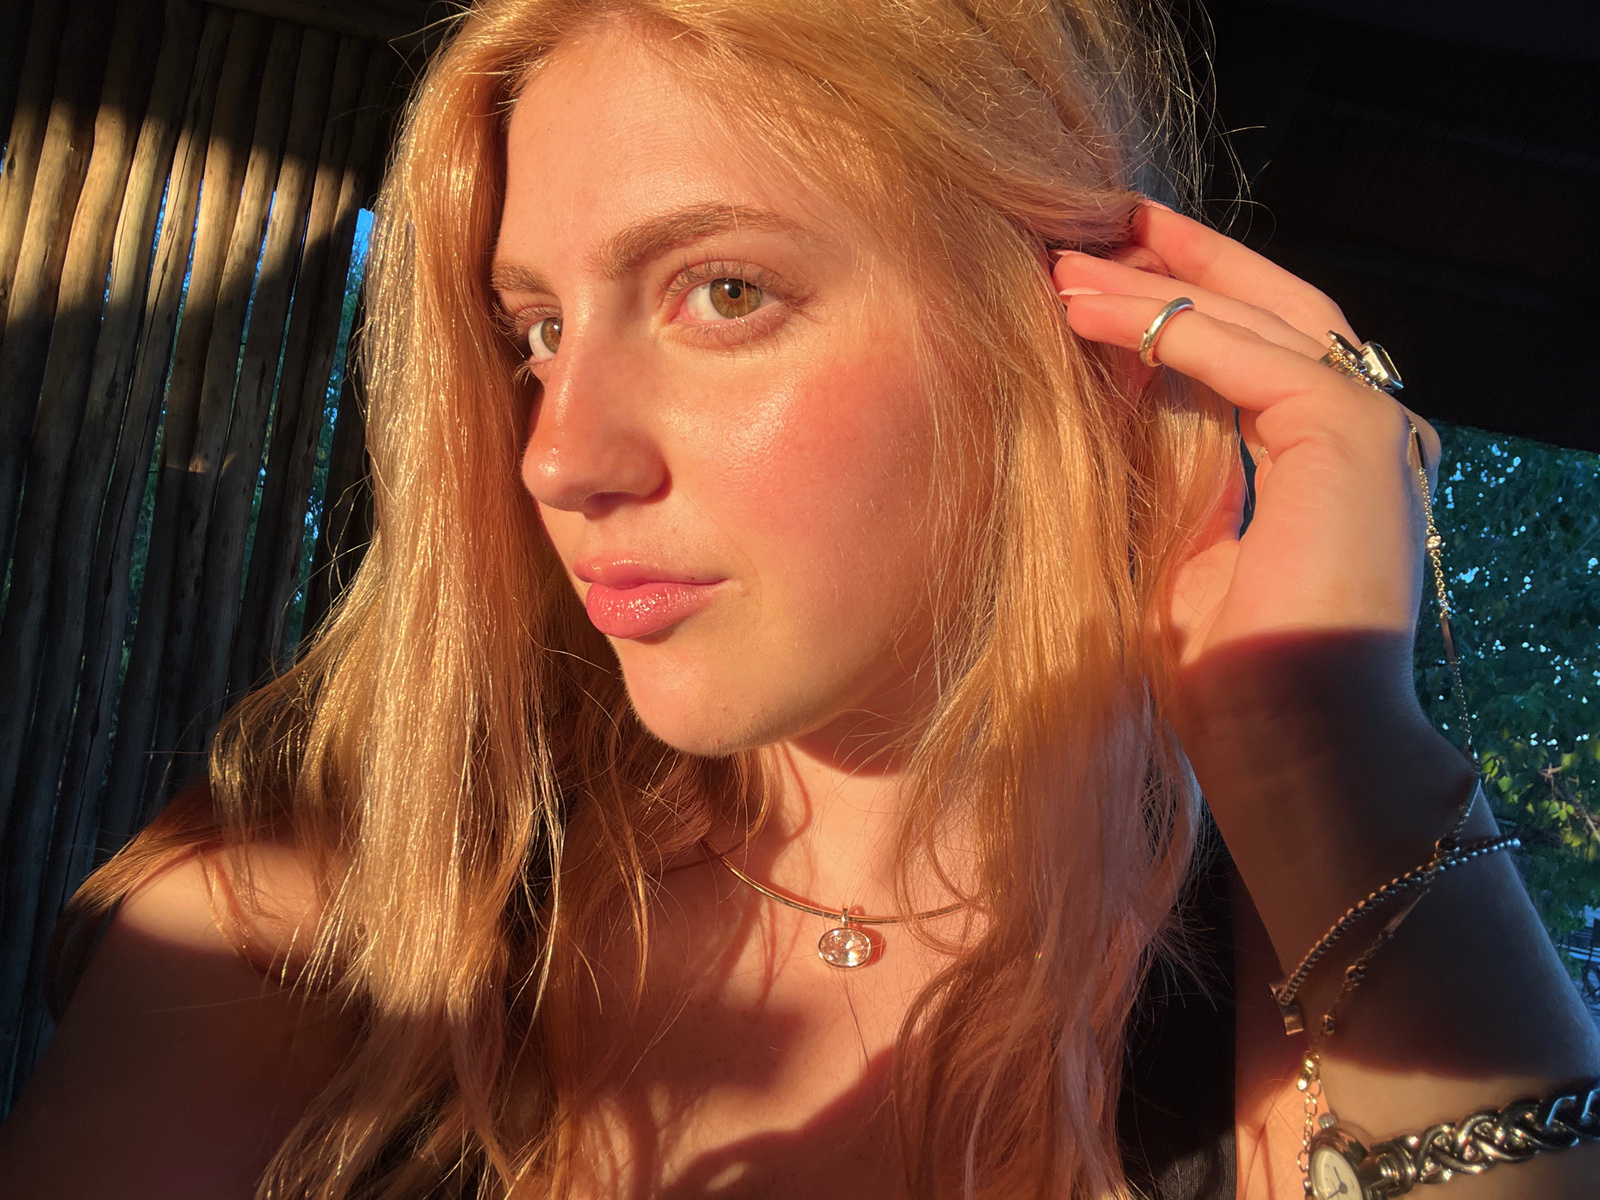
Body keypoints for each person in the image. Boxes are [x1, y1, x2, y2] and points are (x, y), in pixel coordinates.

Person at [1, 1, 1596, 1197]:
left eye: (725, 291)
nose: (559, 456)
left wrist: (1319, 742)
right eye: (535, 329)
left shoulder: (1305, 983)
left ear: (1073, 336)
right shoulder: (304, 928)